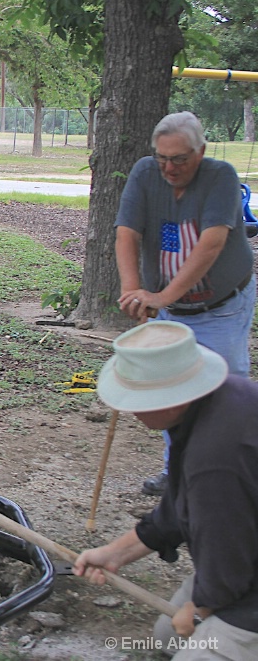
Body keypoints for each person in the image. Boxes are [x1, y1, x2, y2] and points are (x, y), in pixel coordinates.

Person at [75, 321, 258, 660]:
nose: (131, 410)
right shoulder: (220, 399)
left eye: (140, 400)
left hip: (246, 583)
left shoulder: (215, 458)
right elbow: (178, 507)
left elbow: (227, 557)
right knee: (168, 635)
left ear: (173, 398)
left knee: (193, 642)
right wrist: (113, 554)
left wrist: (203, 608)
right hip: (243, 559)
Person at [114, 111, 255, 496]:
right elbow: (127, 235)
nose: (169, 167)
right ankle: (177, 473)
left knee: (225, 389)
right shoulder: (145, 174)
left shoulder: (221, 176)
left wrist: (160, 297)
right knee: (173, 389)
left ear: (201, 151)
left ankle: (231, 473)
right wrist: (133, 292)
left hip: (222, 304)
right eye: (162, 157)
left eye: (179, 159)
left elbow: (211, 244)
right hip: (175, 309)